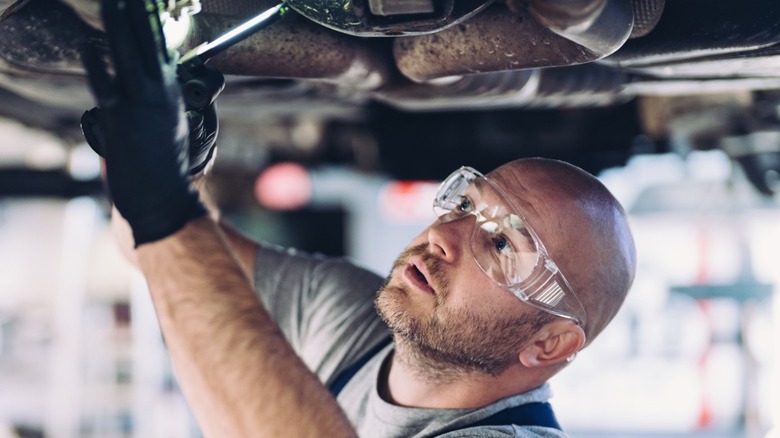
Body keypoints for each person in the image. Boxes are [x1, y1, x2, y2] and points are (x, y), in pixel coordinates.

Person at [80, 0, 636, 436]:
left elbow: (164, 239)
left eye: (502, 246)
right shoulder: (350, 321)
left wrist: (163, 209)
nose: (443, 235)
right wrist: (177, 164)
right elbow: (152, 255)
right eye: (466, 204)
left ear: (550, 345)